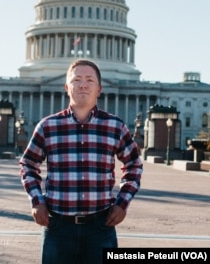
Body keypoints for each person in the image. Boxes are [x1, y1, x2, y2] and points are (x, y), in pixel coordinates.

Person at [19, 59, 143, 264]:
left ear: (99, 88)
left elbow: (134, 165)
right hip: (58, 226)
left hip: (100, 227)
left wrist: (122, 203)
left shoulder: (115, 126)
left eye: (89, 80)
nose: (83, 84)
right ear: (67, 87)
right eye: (77, 79)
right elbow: (28, 165)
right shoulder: (47, 126)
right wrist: (36, 201)